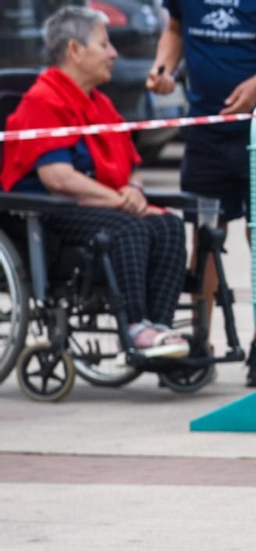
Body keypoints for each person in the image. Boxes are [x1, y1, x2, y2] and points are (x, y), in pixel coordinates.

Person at [1, 7, 187, 356]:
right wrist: (120, 201)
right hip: (49, 214)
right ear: (75, 50)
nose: (114, 53)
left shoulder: (100, 104)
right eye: (104, 44)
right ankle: (134, 326)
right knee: (130, 227)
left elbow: (130, 164)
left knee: (168, 226)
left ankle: (158, 328)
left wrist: (133, 190)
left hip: (97, 206)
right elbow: (58, 178)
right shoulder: (43, 101)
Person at [146, 0, 256, 385]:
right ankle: (200, 342)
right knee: (205, 238)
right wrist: (163, 68)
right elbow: (175, 28)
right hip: (206, 130)